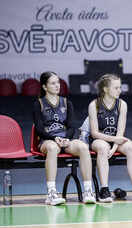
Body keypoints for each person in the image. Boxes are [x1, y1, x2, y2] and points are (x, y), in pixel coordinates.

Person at [32, 71, 96, 205]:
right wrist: (53, 138)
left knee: (83, 147)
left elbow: (71, 126)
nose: (57, 85)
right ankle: (51, 193)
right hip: (47, 140)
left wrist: (67, 138)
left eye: (58, 82)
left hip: (64, 140)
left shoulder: (67, 103)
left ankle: (88, 191)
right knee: (52, 148)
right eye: (53, 83)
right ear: (44, 87)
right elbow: (39, 129)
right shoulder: (39, 104)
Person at [88, 74, 132, 203]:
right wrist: (113, 141)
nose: (120, 90)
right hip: (99, 139)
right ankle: (104, 190)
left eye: (120, 87)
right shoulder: (94, 105)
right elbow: (94, 133)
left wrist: (114, 147)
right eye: (116, 88)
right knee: (103, 148)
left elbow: (120, 130)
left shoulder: (122, 104)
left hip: (117, 139)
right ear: (106, 89)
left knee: (130, 147)